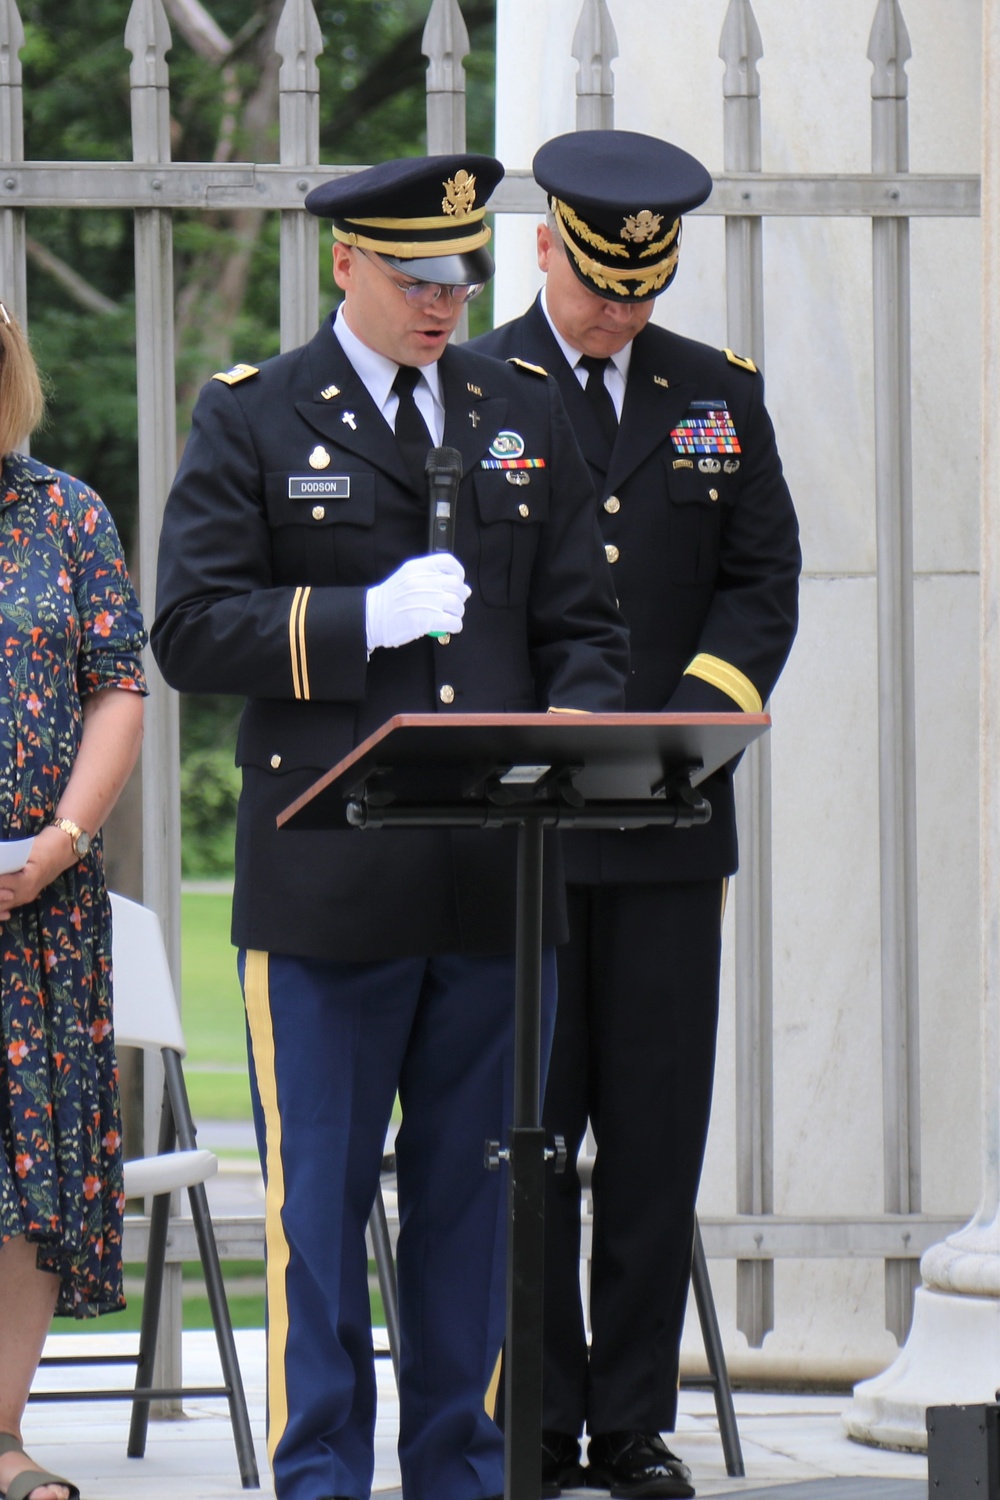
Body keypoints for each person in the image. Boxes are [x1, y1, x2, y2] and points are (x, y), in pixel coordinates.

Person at [151, 152, 628, 1500]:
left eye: (460, 279)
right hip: (328, 893)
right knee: (319, 1215)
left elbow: (582, 626)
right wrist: (359, 619)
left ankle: (456, 1479)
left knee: (476, 1218)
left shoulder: (517, 405)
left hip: (491, 891)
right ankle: (319, 1482)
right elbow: (188, 630)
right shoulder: (253, 415)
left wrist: (584, 729)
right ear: (346, 265)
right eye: (417, 278)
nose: (443, 304)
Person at [470, 130, 801, 1499]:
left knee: (656, 1139)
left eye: (645, 289)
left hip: (668, 826)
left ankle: (631, 1425)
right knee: (530, 1136)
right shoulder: (477, 383)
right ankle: (536, 1421)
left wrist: (686, 732)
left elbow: (763, 578)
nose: (625, 310)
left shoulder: (715, 395)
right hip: (529, 832)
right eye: (605, 283)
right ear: (547, 246)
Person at [0, 303, 147, 1500]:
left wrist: (57, 840)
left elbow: (116, 686)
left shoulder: (66, 513)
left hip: (36, 904)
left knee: (27, 1174)